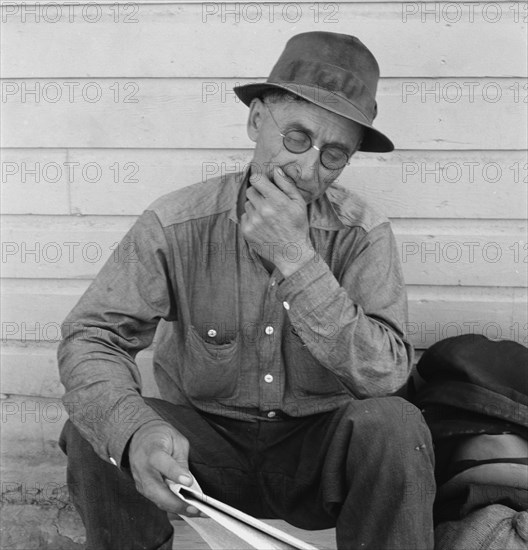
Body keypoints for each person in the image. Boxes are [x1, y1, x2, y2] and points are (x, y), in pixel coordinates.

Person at [58, 31, 436, 549]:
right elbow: (92, 336)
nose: (307, 169)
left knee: (397, 427)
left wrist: (296, 258)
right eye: (297, 138)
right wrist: (134, 432)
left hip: (315, 450)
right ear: (257, 120)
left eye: (332, 156)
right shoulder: (177, 223)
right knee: (93, 431)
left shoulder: (361, 234)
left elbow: (387, 375)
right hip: (203, 452)